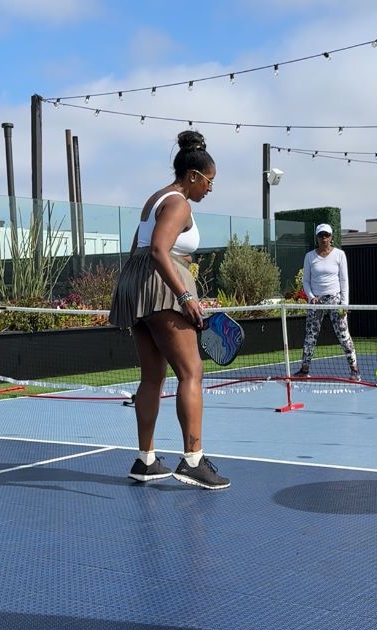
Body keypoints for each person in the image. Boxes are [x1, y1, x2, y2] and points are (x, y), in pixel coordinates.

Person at [109, 131, 229, 490]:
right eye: (209, 181)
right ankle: (193, 461)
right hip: (162, 288)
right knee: (192, 372)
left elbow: (141, 247)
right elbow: (160, 250)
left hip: (138, 287)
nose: (209, 188)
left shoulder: (156, 199)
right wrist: (184, 296)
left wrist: (177, 262)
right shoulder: (179, 203)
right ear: (193, 175)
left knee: (152, 377)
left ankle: (145, 461)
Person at [294, 223, 359, 381]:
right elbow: (306, 281)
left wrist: (344, 304)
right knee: (310, 335)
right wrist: (311, 297)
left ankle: (355, 370)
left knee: (343, 335)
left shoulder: (339, 255)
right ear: (317, 238)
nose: (324, 238)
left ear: (331, 237)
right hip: (316, 301)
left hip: (335, 300)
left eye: (327, 235)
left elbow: (344, 280)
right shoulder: (310, 256)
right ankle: (304, 369)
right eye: (321, 235)